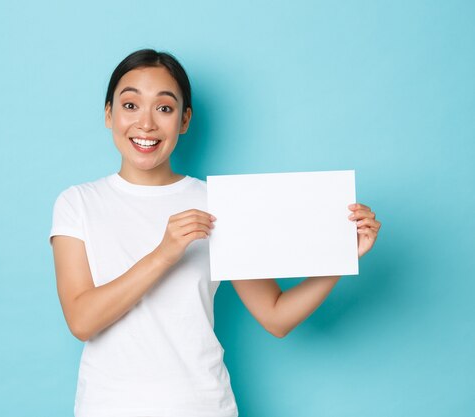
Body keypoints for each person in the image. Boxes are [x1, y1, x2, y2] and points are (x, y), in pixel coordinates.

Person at [50, 49, 381, 417]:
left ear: (184, 119)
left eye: (164, 108)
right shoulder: (78, 202)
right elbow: (81, 320)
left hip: (202, 405)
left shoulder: (218, 203)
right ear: (109, 113)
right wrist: (164, 253)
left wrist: (340, 255)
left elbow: (276, 315)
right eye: (130, 105)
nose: (145, 123)